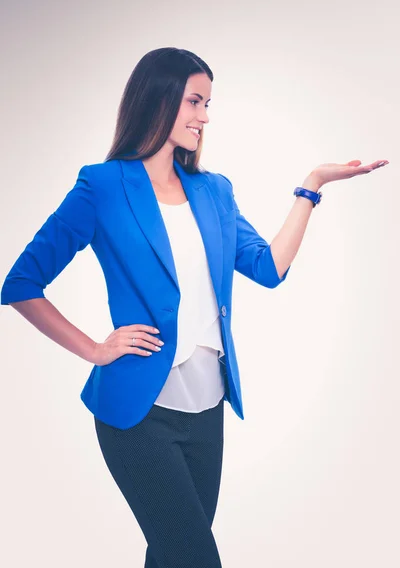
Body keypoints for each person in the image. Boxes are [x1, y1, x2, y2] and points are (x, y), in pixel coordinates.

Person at [0, 47, 389, 568]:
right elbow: (22, 282)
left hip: (207, 414)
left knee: (171, 557)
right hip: (138, 415)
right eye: (195, 101)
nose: (205, 117)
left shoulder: (214, 191)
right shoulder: (102, 187)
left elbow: (269, 269)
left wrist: (310, 187)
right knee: (194, 559)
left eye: (208, 104)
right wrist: (94, 348)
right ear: (159, 99)